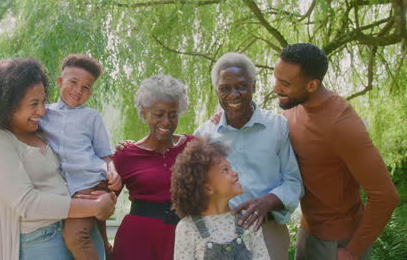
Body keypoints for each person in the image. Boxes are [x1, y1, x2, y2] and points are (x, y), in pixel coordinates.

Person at [0, 58, 116, 260]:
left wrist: (104, 198)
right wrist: (96, 206)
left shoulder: (43, 129)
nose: (42, 111)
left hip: (82, 230)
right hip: (43, 241)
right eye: (34, 104)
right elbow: (27, 203)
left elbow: (87, 161)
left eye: (42, 101)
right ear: (7, 104)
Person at [273, 43, 400, 260]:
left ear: (312, 85)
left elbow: (385, 196)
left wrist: (353, 251)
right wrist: (226, 118)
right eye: (275, 78)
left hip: (338, 244)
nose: (276, 88)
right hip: (307, 233)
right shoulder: (294, 105)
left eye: (284, 83)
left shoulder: (342, 124)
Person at [196, 52, 303, 259]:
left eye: (241, 86)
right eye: (225, 89)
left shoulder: (278, 127)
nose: (234, 95)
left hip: (269, 234)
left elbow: (294, 182)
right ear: (217, 91)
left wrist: (268, 201)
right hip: (220, 237)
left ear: (253, 86)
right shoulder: (204, 135)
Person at [39, 54, 121, 260]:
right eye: (73, 82)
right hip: (65, 188)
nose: (78, 90)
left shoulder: (91, 117)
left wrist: (113, 173)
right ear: (59, 82)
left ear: (90, 92)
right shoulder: (43, 114)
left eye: (85, 87)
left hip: (91, 183)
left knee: (76, 236)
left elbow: (105, 155)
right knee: (99, 238)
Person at [111, 75, 194, 260]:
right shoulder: (125, 154)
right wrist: (103, 243)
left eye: (173, 115)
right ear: (143, 112)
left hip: (184, 239)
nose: (166, 121)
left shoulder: (194, 147)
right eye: (159, 114)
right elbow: (104, 204)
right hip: (138, 242)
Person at [172, 136, 270, 260]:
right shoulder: (187, 228)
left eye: (231, 168)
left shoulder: (248, 221)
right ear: (208, 188)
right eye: (225, 170)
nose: (235, 173)